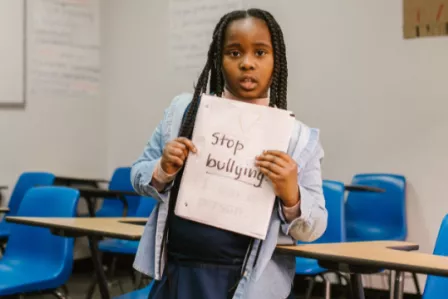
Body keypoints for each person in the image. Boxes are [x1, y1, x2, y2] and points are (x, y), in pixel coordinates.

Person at [131, 8, 327, 299]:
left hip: (246, 285)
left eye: (260, 53)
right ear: (217, 60)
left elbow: (314, 228)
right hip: (178, 274)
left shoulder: (298, 138)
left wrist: (292, 196)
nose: (247, 63)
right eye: (234, 53)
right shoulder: (183, 113)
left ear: (277, 61)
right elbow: (138, 174)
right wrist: (162, 170)